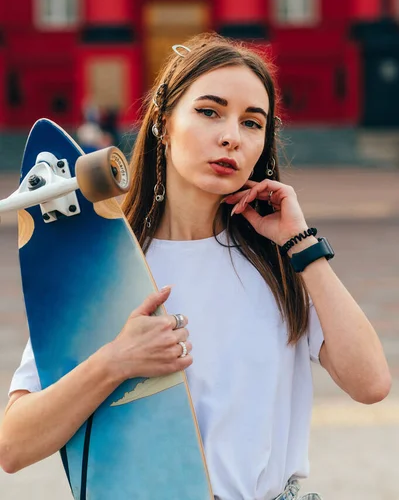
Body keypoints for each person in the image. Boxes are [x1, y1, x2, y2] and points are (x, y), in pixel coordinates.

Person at [0, 33, 391, 500]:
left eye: (252, 123)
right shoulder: (105, 265)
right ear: (165, 123)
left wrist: (301, 245)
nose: (231, 135)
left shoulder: (277, 266)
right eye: (210, 111)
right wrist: (115, 362)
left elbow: (371, 383)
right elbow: (14, 446)